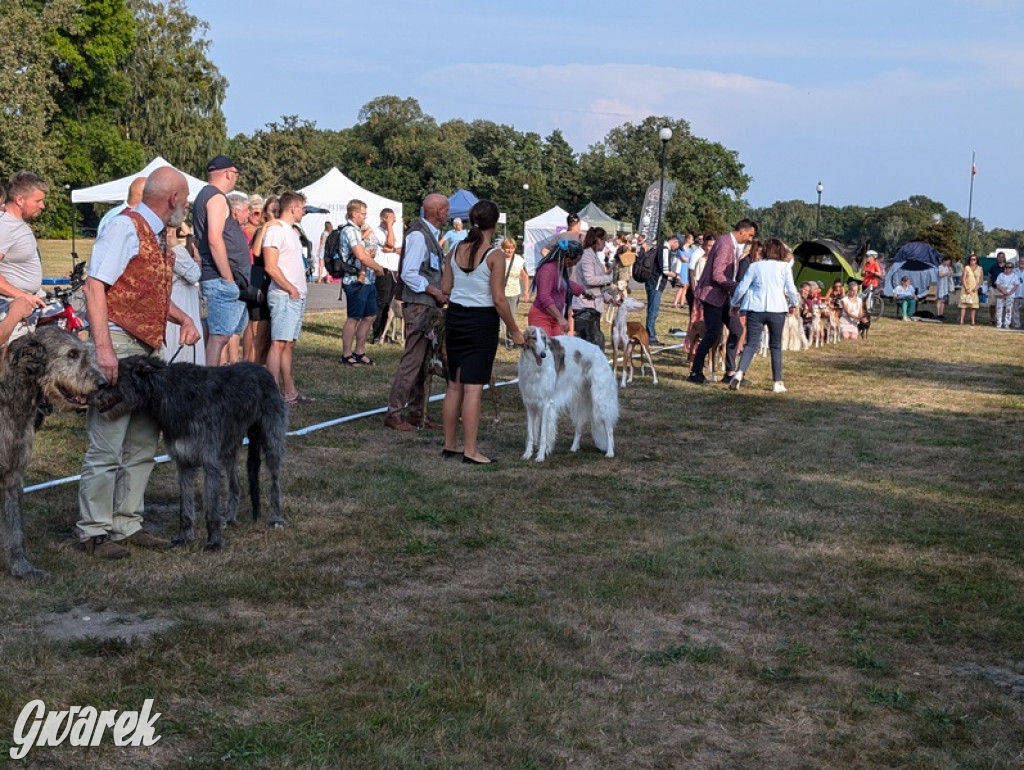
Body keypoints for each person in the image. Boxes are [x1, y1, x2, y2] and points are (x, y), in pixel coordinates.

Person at [76, 167, 202, 559]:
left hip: (149, 351)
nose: (185, 207)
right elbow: (95, 285)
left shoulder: (160, 235)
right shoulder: (124, 228)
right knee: (107, 444)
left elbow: (146, 291)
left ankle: (126, 523)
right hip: (118, 343)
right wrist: (103, 349)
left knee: (144, 442)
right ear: (174, 199)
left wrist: (180, 317)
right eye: (185, 199)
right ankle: (95, 531)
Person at [440, 200, 525, 464]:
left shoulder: (454, 249)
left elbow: (445, 287)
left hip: (455, 317)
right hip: (481, 321)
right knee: (474, 387)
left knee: (454, 386)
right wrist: (514, 331)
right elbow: (499, 299)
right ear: (496, 222)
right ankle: (471, 450)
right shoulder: (495, 255)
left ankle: (450, 444)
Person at [385, 193, 450, 431]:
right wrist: (432, 289)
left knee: (424, 361)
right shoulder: (418, 236)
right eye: (445, 209)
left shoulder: (430, 235)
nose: (448, 213)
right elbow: (409, 273)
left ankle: (417, 412)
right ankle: (394, 413)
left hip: (429, 306)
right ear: (436, 212)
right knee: (412, 360)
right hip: (419, 306)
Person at [688, 220, 758, 385]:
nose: (750, 239)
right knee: (712, 333)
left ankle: (730, 372)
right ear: (742, 230)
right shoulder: (726, 244)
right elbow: (717, 275)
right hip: (713, 295)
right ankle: (695, 372)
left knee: (737, 329)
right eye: (750, 235)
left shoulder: (730, 243)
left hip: (723, 295)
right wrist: (738, 287)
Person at [194, 155, 249, 366]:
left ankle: (210, 385)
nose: (235, 178)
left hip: (216, 277)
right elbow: (215, 239)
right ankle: (209, 389)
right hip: (219, 278)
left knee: (217, 335)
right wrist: (227, 278)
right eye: (236, 174)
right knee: (219, 337)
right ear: (228, 173)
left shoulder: (205, 195)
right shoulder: (216, 197)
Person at [728, 238, 800, 393]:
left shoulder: (755, 266)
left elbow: (742, 287)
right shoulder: (784, 267)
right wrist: (794, 303)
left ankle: (739, 372)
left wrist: (734, 304)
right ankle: (777, 382)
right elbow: (792, 289)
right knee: (775, 345)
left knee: (751, 343)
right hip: (777, 309)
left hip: (755, 308)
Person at [262, 190, 312, 403]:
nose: (304, 212)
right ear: (293, 208)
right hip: (284, 295)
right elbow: (270, 267)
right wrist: (290, 288)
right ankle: (272, 393)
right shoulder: (276, 231)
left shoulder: (292, 231)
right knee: (278, 342)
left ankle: (289, 390)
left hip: (295, 295)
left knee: (288, 343)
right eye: (302, 208)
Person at [0, 171, 49, 336]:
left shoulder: (17, 224)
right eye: (38, 201)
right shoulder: (5, 227)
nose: (42, 205)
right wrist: (22, 296)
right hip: (11, 311)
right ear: (20, 200)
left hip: (27, 307)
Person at [338, 199, 385, 366]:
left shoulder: (358, 231)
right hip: (355, 281)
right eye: (363, 213)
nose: (365, 216)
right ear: (354, 214)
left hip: (368, 280)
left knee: (370, 316)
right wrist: (378, 267)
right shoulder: (350, 231)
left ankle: (359, 351)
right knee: (354, 318)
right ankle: (346, 354)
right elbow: (360, 255)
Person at [161, 225, 204, 364]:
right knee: (179, 355)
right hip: (178, 303)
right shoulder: (171, 247)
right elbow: (193, 274)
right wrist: (173, 238)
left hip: (184, 301)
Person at [527, 239, 587, 337]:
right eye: (575, 261)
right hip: (541, 317)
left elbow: (565, 283)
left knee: (556, 350)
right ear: (567, 258)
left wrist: (583, 291)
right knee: (546, 350)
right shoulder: (547, 270)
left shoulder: (559, 270)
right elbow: (544, 297)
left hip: (554, 318)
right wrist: (560, 318)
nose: (575, 264)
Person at [244, 195, 279, 365]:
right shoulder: (260, 230)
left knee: (270, 335)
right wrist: (265, 226)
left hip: (275, 283)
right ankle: (252, 367)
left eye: (278, 211)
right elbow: (256, 252)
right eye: (272, 211)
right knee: (258, 331)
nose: (275, 215)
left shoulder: (284, 230)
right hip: (260, 282)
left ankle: (261, 365)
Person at [572, 226, 613, 350]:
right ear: (599, 240)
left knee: (595, 344)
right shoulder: (586, 256)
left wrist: (609, 298)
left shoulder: (593, 255)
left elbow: (598, 286)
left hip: (593, 306)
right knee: (587, 345)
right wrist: (608, 279)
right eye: (604, 241)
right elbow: (589, 279)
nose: (604, 244)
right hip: (584, 306)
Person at [370, 209, 401, 345]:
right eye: (390, 218)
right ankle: (377, 334)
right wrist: (388, 226)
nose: (393, 221)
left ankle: (385, 333)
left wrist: (394, 249)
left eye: (394, 219)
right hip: (383, 270)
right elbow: (390, 243)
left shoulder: (394, 231)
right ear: (383, 218)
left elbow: (399, 248)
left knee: (390, 303)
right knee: (381, 303)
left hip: (394, 271)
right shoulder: (377, 232)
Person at [644, 234, 676, 345]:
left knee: (651, 310)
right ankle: (650, 337)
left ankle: (649, 335)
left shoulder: (660, 247)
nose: (676, 249)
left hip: (651, 282)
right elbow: (665, 270)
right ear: (674, 241)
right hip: (655, 283)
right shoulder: (665, 249)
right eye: (678, 246)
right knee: (653, 311)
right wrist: (676, 276)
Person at [499, 237, 528, 346]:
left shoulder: (519, 260)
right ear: (503, 248)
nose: (509, 250)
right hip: (500, 292)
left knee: (510, 317)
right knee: (497, 317)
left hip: (513, 292)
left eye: (511, 248)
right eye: (507, 248)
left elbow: (525, 276)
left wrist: (526, 291)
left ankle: (510, 339)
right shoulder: (498, 258)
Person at [994, 261, 1019, 329]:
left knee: (1009, 310)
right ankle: (999, 323)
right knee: (999, 309)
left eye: (1010, 267)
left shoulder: (1015, 276)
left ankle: (1007, 324)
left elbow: (1016, 285)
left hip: (1010, 294)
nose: (1008, 268)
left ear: (1012, 268)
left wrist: (1010, 292)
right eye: (1006, 267)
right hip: (1001, 293)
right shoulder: (1001, 275)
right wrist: (1003, 290)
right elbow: (997, 284)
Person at [959, 253, 983, 325]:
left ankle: (973, 321)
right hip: (967, 288)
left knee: (973, 306)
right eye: (971, 259)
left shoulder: (980, 268)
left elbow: (981, 280)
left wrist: (977, 287)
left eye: (974, 259)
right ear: (969, 260)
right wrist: (966, 288)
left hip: (974, 289)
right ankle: (961, 320)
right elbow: (963, 278)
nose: (972, 261)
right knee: (964, 305)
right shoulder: (966, 267)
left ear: (976, 260)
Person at [988, 251, 1006, 325]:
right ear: (997, 258)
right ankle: (992, 319)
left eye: (1002, 257)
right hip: (993, 288)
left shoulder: (1007, 267)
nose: (1000, 258)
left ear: (1004, 258)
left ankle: (1002, 320)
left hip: (1003, 289)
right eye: (999, 257)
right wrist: (989, 287)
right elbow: (989, 277)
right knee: (992, 305)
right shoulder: (993, 267)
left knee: (1003, 306)